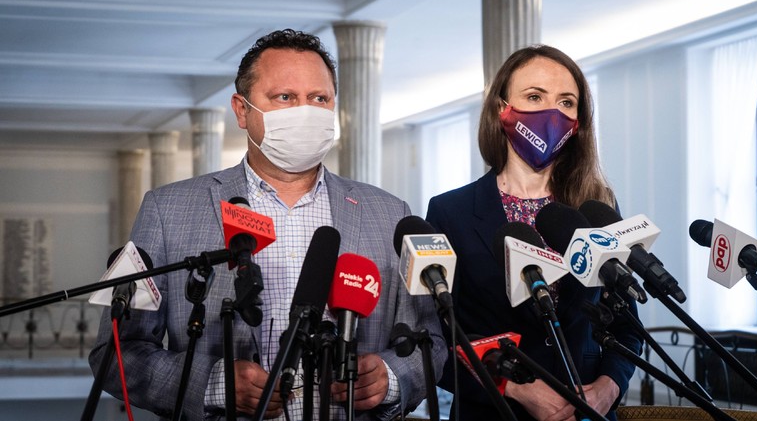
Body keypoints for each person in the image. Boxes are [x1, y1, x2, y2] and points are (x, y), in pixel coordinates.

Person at [90, 29, 447, 421]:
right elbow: (117, 353)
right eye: (285, 97)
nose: (305, 111)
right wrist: (213, 383)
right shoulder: (168, 210)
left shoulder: (390, 213)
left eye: (319, 98)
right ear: (242, 110)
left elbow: (431, 342)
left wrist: (390, 378)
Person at [425, 45, 643, 421]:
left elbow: (627, 326)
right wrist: (517, 387)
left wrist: (608, 388)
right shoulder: (450, 212)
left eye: (566, 102)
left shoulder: (596, 207)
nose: (551, 113)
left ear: (579, 121)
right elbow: (436, 340)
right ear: (502, 108)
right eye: (534, 97)